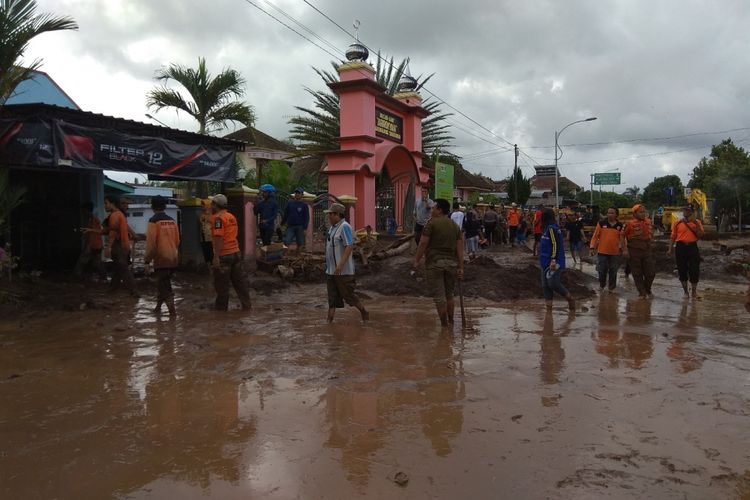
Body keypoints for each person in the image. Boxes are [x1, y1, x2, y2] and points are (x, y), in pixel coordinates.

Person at [413, 198, 464, 326]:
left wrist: (416, 260)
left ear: (440, 210)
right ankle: (451, 323)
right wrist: (461, 268)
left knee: (439, 297)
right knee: (449, 295)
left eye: (433, 208)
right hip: (452, 265)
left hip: (434, 264)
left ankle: (444, 327)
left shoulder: (431, 224)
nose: (431, 210)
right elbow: (460, 251)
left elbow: (423, 243)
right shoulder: (455, 226)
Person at [324, 203, 368, 323]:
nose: (329, 217)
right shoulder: (332, 228)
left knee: (348, 295)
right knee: (332, 297)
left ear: (338, 214)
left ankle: (364, 312)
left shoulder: (345, 227)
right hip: (331, 270)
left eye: (331, 214)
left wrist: (341, 264)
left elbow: (349, 246)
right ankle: (329, 321)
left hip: (343, 271)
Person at [211, 194, 251, 311]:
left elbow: (219, 238)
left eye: (212, 204)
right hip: (236, 253)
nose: (210, 206)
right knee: (239, 283)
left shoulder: (218, 218)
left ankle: (221, 313)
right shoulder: (231, 216)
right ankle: (247, 306)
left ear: (216, 205)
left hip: (224, 255)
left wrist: (216, 257)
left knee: (222, 286)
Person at [144, 196, 180, 316]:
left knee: (164, 286)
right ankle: (158, 308)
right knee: (164, 283)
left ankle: (173, 313)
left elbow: (151, 245)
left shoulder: (153, 221)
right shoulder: (172, 221)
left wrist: (147, 262)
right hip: (173, 259)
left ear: (152, 207)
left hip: (161, 259)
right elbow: (177, 241)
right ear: (165, 206)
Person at [539, 208, 576, 311]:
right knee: (545, 286)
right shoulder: (546, 229)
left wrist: (553, 259)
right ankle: (549, 310)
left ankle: (570, 299)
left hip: (554, 261)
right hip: (544, 261)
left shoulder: (552, 229)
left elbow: (555, 244)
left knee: (553, 283)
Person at [667, 205, 704, 298]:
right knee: (682, 269)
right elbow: (673, 236)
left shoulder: (697, 222)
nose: (685, 212)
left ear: (691, 212)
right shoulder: (677, 223)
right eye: (684, 210)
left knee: (694, 269)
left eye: (687, 210)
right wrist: (670, 248)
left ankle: (694, 292)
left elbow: (700, 234)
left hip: (692, 247)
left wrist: (695, 223)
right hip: (680, 247)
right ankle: (685, 292)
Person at [623, 204, 655, 298]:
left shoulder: (649, 222)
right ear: (635, 213)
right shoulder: (629, 224)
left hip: (646, 250)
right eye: (640, 212)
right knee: (637, 273)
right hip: (634, 250)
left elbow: (651, 234)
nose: (643, 214)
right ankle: (642, 292)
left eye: (644, 212)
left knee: (651, 273)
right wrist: (625, 250)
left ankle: (647, 289)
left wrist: (651, 243)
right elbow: (622, 236)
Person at [589, 207, 625, 292]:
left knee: (613, 271)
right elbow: (595, 236)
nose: (610, 215)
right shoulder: (601, 224)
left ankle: (611, 288)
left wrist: (623, 248)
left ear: (616, 215)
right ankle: (602, 285)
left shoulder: (620, 226)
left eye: (612, 213)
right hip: (602, 251)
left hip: (615, 252)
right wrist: (592, 248)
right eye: (608, 213)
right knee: (601, 270)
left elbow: (623, 238)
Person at [74, 202, 106, 281]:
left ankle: (76, 276)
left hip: (93, 244)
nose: (83, 212)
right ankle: (103, 276)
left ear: (86, 210)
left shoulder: (93, 220)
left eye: (83, 210)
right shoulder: (92, 219)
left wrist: (88, 245)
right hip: (96, 244)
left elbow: (93, 233)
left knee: (82, 261)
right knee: (97, 262)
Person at [282, 187, 309, 253]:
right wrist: (282, 223)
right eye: (296, 193)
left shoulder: (304, 205)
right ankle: (285, 257)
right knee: (287, 241)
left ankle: (298, 257)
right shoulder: (290, 203)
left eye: (299, 193)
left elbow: (306, 217)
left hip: (300, 227)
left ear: (302, 195)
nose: (297, 194)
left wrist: (305, 228)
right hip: (290, 226)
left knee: (300, 243)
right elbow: (286, 214)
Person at [199, 200, 214, 265]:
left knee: (210, 251)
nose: (202, 206)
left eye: (203, 205)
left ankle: (212, 264)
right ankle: (207, 264)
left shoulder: (212, 215)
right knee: (205, 250)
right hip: (203, 236)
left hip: (210, 236)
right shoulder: (202, 215)